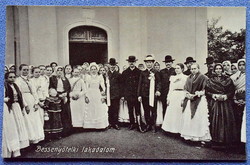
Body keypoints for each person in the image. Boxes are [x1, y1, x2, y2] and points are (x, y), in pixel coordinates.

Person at [205, 63, 237, 148]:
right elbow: (207, 91)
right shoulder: (210, 80)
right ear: (214, 70)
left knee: (225, 119)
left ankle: (226, 140)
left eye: (220, 69)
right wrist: (213, 95)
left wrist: (225, 96)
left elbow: (231, 91)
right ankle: (215, 140)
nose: (218, 70)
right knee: (213, 119)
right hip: (214, 102)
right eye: (217, 69)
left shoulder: (228, 79)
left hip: (225, 103)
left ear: (222, 70)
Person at [180, 63, 211, 143]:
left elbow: (206, 89)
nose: (193, 70)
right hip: (190, 99)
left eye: (195, 69)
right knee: (189, 117)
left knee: (197, 117)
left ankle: (199, 137)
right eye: (192, 69)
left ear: (198, 69)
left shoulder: (203, 77)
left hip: (199, 100)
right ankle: (190, 136)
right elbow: (185, 88)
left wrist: (199, 93)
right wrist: (187, 94)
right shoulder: (189, 77)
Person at [15, 64, 45, 144]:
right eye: (24, 70)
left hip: (32, 100)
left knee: (35, 119)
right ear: (20, 71)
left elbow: (34, 92)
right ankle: (28, 140)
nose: (25, 71)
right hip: (25, 100)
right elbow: (19, 94)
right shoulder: (17, 81)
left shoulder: (30, 80)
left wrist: (36, 103)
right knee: (27, 121)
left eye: (27, 70)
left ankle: (36, 139)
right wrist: (25, 105)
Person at [138, 54, 161, 133]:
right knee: (146, 110)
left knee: (153, 110)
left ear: (153, 63)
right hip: (145, 95)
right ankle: (148, 124)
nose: (149, 64)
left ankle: (153, 125)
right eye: (147, 62)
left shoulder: (156, 72)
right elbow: (140, 84)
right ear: (145, 63)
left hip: (153, 95)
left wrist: (158, 90)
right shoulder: (143, 73)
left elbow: (159, 82)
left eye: (150, 62)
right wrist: (139, 95)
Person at [162, 63, 187, 134]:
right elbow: (170, 89)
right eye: (175, 68)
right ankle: (171, 129)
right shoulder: (172, 77)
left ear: (182, 69)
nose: (176, 70)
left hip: (181, 94)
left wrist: (183, 98)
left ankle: (179, 130)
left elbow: (186, 89)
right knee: (172, 112)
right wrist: (168, 98)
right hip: (174, 95)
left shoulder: (185, 77)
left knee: (179, 112)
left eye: (178, 68)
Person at [121, 56, 144, 132]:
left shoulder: (139, 72)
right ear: (128, 63)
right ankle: (132, 124)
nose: (131, 63)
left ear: (135, 62)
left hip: (136, 95)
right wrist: (124, 95)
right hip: (128, 95)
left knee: (138, 110)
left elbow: (141, 85)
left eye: (133, 62)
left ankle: (139, 124)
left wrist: (139, 95)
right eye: (130, 62)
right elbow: (123, 85)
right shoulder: (125, 72)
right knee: (130, 110)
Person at [83, 62, 109, 129]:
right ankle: (90, 126)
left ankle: (100, 126)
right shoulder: (88, 77)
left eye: (95, 69)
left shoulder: (100, 77)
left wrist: (103, 96)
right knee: (90, 109)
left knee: (99, 108)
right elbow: (86, 87)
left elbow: (103, 87)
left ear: (97, 70)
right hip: (90, 93)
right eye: (92, 69)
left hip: (97, 93)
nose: (93, 70)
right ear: (90, 70)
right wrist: (86, 96)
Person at [49, 66, 72, 137]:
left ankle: (66, 131)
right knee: (57, 115)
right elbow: (51, 87)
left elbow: (68, 87)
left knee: (65, 113)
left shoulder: (65, 79)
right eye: (58, 70)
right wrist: (58, 95)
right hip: (56, 97)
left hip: (64, 97)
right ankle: (58, 132)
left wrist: (66, 93)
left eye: (61, 70)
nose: (59, 71)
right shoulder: (52, 78)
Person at [230, 59, 246, 143]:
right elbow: (232, 89)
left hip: (246, 100)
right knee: (237, 122)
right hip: (236, 100)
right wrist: (235, 99)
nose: (242, 66)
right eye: (240, 65)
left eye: (243, 64)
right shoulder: (235, 76)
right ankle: (237, 143)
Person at [107, 58, 122, 130]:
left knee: (116, 109)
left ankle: (115, 123)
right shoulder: (106, 74)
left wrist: (121, 95)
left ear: (115, 65)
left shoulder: (118, 74)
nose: (112, 66)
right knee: (109, 109)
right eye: (111, 65)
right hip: (108, 94)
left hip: (116, 94)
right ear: (109, 65)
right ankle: (110, 123)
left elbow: (121, 85)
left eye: (113, 65)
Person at [154, 62, 163, 127]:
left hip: (160, 92)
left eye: (158, 65)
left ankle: (160, 121)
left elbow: (160, 82)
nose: (156, 67)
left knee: (159, 108)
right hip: (152, 93)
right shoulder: (153, 73)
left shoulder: (160, 73)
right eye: (155, 66)